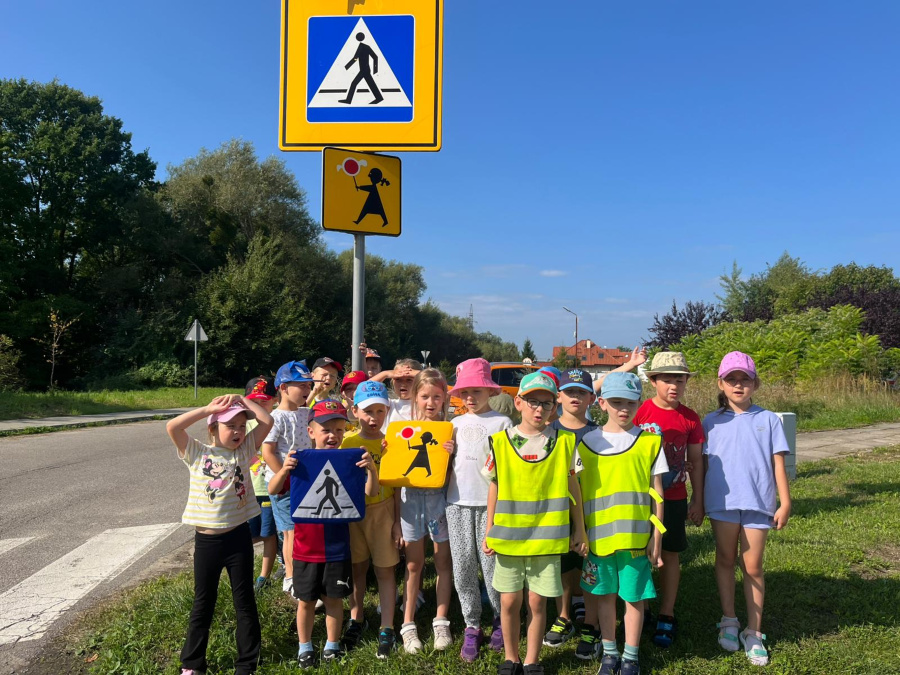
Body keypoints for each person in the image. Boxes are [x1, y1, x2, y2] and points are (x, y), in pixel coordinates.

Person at [482, 371, 586, 675]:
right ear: (518, 402)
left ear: (555, 407)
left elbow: (574, 488)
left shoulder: (565, 441)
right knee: (510, 602)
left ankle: (531, 660)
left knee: (538, 604)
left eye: (546, 403)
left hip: (547, 540)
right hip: (510, 539)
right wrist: (489, 530)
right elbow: (495, 486)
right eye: (532, 402)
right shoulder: (500, 442)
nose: (539, 409)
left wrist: (579, 529)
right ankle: (511, 658)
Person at [166, 394, 273, 675]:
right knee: (203, 601)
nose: (238, 431)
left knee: (244, 601)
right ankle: (192, 664)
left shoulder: (245, 449)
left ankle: (246, 664)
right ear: (213, 428)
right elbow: (173, 427)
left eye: (241, 426)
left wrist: (242, 401)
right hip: (207, 542)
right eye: (230, 426)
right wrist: (206, 410)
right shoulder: (197, 452)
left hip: (238, 539)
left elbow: (267, 420)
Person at [268, 400, 379, 669]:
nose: (334, 435)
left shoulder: (350, 460)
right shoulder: (300, 463)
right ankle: (304, 646)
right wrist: (284, 468)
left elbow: (371, 493)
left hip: (338, 549)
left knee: (333, 600)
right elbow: (273, 489)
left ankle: (332, 644)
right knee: (305, 601)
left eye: (340, 430)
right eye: (326, 429)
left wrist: (371, 470)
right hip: (305, 550)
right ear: (311, 432)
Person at [704, 351, 792, 667]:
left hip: (759, 504)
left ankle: (753, 632)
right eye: (732, 379)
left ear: (755, 384)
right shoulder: (709, 422)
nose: (738, 385)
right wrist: (697, 500)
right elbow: (701, 464)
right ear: (721, 383)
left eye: (745, 379)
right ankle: (729, 619)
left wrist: (785, 501)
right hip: (722, 504)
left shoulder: (769, 420)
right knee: (726, 559)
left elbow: (778, 463)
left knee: (753, 566)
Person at [577, 372, 668, 675]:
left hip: (635, 541)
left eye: (630, 402)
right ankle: (610, 653)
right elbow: (575, 493)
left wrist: (657, 538)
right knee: (604, 597)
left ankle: (631, 656)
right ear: (601, 403)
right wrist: (579, 532)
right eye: (616, 402)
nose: (623, 409)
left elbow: (658, 494)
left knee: (634, 598)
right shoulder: (586, 443)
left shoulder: (650, 442)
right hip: (598, 542)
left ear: (639, 403)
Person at [633, 352, 705, 648]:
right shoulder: (639, 413)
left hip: (674, 497)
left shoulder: (690, 418)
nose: (674, 385)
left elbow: (697, 462)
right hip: (640, 498)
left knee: (670, 555)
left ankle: (667, 613)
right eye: (667, 379)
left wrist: (698, 499)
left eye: (680, 379)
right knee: (639, 553)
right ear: (653, 382)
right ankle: (643, 606)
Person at [446, 358, 512, 661]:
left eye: (477, 391)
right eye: (465, 392)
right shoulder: (454, 424)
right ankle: (472, 624)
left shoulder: (502, 423)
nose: (470, 398)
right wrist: (446, 453)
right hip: (457, 503)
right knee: (462, 567)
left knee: (493, 567)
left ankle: (501, 619)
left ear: (489, 391)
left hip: (490, 506)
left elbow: (506, 469)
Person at [339, 381, 401, 658]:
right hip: (354, 515)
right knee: (357, 569)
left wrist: (398, 521)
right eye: (367, 411)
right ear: (354, 411)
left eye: (380, 411)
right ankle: (357, 617)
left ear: (387, 411)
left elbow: (398, 486)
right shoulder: (347, 442)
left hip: (384, 510)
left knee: (386, 571)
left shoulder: (393, 443)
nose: (374, 418)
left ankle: (387, 627)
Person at [397, 368, 455, 654]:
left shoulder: (451, 430)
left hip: (440, 503)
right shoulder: (402, 429)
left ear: (444, 398)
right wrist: (390, 450)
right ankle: (408, 624)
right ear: (415, 398)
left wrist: (453, 452)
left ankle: (441, 619)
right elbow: (395, 477)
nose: (430, 402)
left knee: (443, 562)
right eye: (424, 397)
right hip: (410, 504)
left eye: (436, 396)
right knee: (413, 564)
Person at [543, 369, 596, 650]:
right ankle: (563, 615)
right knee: (562, 564)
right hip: (557, 510)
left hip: (591, 508)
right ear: (559, 397)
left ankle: (588, 613)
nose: (575, 396)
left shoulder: (598, 434)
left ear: (592, 398)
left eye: (581, 391)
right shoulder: (549, 433)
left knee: (587, 563)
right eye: (570, 391)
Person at [261, 360, 314, 596]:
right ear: (283, 387)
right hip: (283, 485)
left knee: (303, 529)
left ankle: (303, 572)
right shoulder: (275, 417)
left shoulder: (304, 413)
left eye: (308, 386)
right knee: (290, 532)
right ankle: (291, 578)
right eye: (301, 386)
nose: (306, 390)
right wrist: (284, 478)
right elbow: (268, 451)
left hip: (304, 481)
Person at [244, 376, 281, 593]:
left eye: (264, 401)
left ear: (274, 400)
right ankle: (244, 572)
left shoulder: (274, 422)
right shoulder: (243, 423)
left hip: (266, 489)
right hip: (246, 491)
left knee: (268, 534)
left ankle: (263, 576)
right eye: (254, 401)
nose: (259, 406)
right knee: (248, 534)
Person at [370, 358, 422, 428]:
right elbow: (360, 391)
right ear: (392, 381)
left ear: (419, 382)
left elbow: (440, 385)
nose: (403, 384)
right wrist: (385, 374)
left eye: (409, 379)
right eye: (398, 379)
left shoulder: (426, 405)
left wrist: (421, 374)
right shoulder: (388, 404)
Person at [339, 370, 368, 435]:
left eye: (358, 388)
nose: (354, 393)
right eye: (349, 389)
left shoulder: (374, 413)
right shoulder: (338, 415)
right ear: (343, 394)